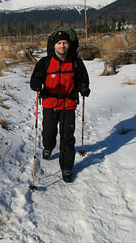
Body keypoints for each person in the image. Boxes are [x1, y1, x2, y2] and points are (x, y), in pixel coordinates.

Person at [30, 27, 90, 183]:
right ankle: (48, 146)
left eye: (65, 43)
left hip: (69, 104)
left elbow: (83, 80)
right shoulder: (45, 62)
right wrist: (36, 84)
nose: (62, 46)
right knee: (49, 131)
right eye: (59, 43)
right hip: (50, 103)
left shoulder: (76, 63)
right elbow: (34, 81)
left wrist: (84, 87)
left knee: (67, 137)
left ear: (69, 45)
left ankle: (67, 167)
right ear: (53, 45)